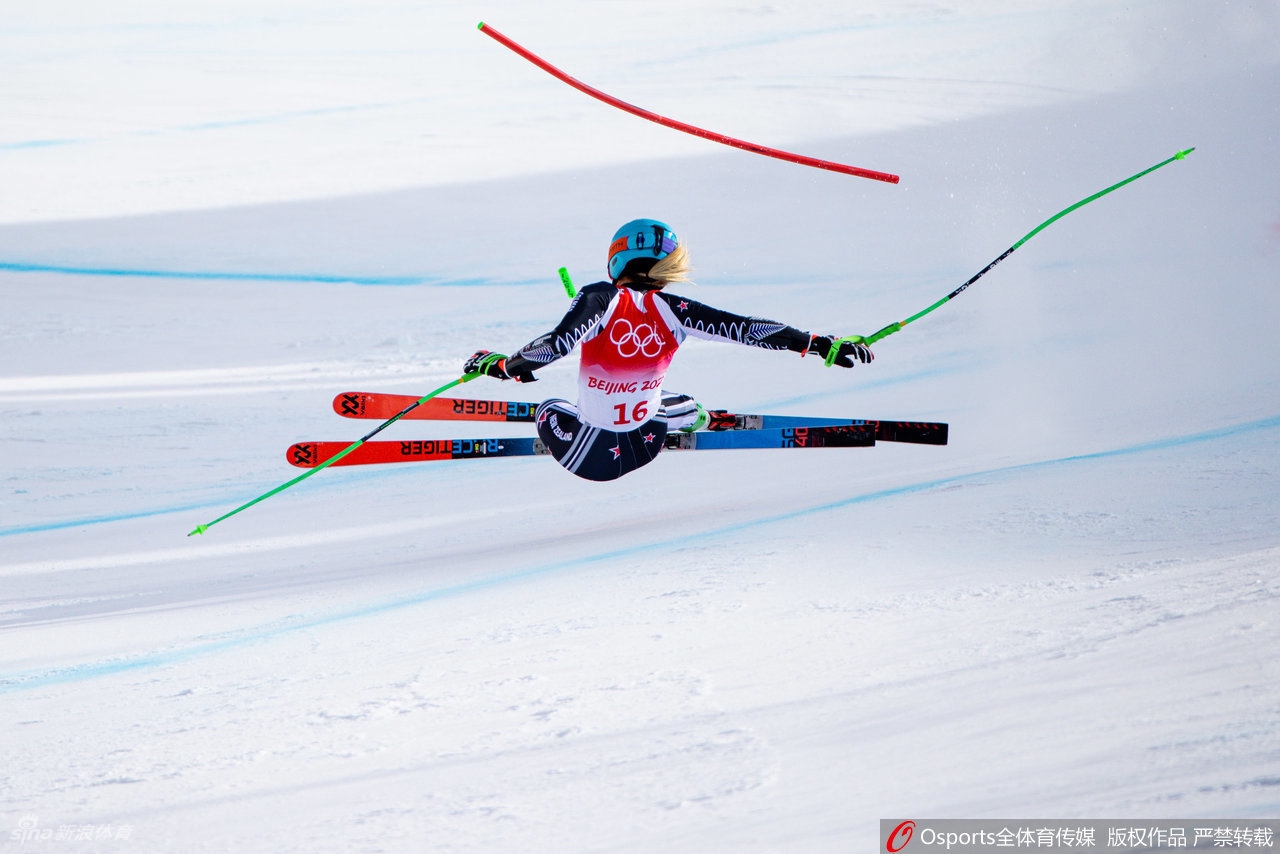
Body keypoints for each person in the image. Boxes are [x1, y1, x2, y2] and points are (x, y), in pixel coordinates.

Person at [463, 218, 874, 482]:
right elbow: (752, 330)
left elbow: (552, 347)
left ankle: (608, 416)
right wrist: (820, 344)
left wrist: (502, 365)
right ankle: (692, 414)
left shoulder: (601, 297)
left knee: (546, 408)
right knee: (662, 400)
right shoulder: (678, 310)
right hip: (648, 442)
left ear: (616, 259)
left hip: (592, 461)